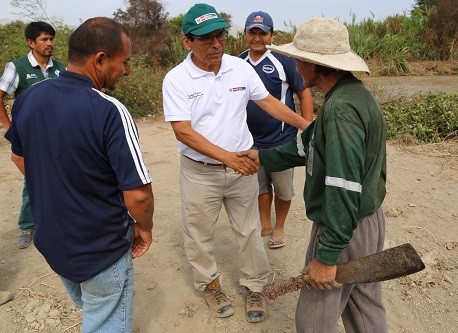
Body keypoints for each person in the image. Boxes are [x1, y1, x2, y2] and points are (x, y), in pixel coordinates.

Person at [162, 3, 310, 324]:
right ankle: (210, 284)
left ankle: (254, 286)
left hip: (241, 166)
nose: (215, 44)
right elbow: (183, 131)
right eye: (205, 39)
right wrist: (227, 157)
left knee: (250, 231)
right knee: (199, 233)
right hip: (201, 173)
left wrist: (304, 124)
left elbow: (269, 102)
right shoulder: (176, 79)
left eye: (220, 36)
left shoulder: (239, 68)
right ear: (187, 41)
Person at [5, 17, 154, 333]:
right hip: (100, 248)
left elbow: (19, 155)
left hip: (53, 242)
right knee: (104, 316)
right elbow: (138, 193)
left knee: (91, 307)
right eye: (123, 62)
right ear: (100, 59)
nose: (126, 71)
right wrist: (145, 227)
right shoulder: (110, 110)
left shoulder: (29, 98)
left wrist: (55, 186)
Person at [241, 18, 388, 333]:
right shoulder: (353, 95)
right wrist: (261, 156)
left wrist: (327, 254)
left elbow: (342, 185)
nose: (295, 64)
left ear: (316, 65)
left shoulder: (340, 112)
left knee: (315, 318)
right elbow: (307, 149)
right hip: (365, 220)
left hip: (344, 223)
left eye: (299, 59)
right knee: (364, 305)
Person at [240, 11, 314, 248]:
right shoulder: (237, 63)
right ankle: (265, 221)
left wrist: (308, 127)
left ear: (272, 35)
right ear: (245, 35)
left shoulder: (283, 61)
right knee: (260, 186)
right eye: (253, 32)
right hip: (250, 141)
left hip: (282, 139)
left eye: (263, 33)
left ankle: (279, 225)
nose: (258, 37)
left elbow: (303, 93)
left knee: (283, 189)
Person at [0, 21, 66, 249]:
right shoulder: (17, 67)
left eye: (51, 39)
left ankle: (57, 222)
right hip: (30, 137)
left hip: (57, 135)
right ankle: (28, 227)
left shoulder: (60, 68)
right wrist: (9, 128)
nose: (49, 43)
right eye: (44, 39)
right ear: (31, 43)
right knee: (33, 179)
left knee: (62, 176)